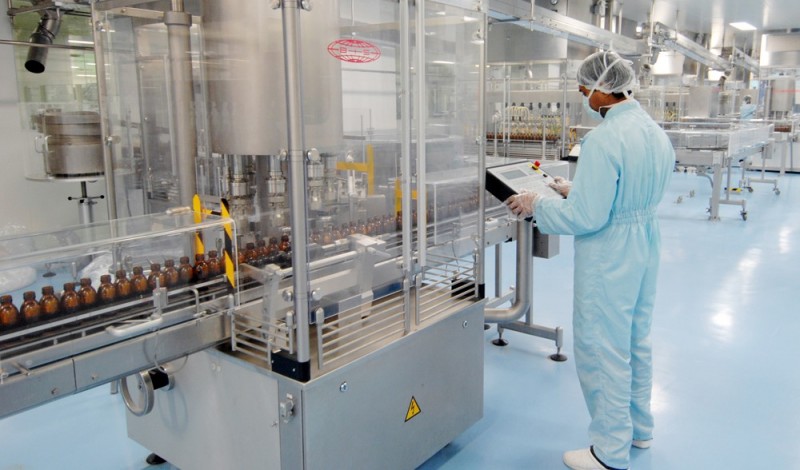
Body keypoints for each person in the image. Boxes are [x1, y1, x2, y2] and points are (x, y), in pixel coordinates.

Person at [506, 50, 676, 470]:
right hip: (644, 244)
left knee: (603, 346)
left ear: (603, 89)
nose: (583, 94)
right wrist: (572, 189)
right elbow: (623, 194)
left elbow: (588, 217)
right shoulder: (653, 131)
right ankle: (639, 430)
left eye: (585, 88)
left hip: (610, 253)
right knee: (635, 339)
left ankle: (609, 451)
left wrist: (537, 203)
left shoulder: (603, 138)